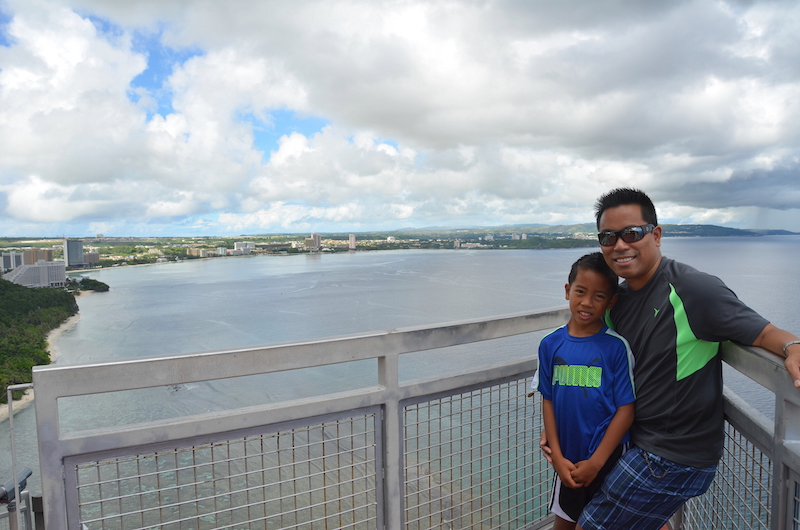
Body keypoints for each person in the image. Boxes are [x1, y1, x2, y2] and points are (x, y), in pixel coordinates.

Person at [569, 188, 800, 530]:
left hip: (673, 454)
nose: (619, 245)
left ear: (657, 235)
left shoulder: (693, 290)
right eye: (608, 237)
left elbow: (764, 333)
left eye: (632, 234)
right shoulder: (617, 298)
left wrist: (793, 346)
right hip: (636, 438)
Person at [535, 252, 635, 529]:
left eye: (599, 296)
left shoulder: (616, 348)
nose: (588, 302)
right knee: (564, 521)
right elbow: (548, 400)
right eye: (581, 291)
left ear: (611, 301)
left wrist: (597, 462)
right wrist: (556, 456)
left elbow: (626, 410)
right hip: (567, 457)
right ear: (568, 291)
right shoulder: (549, 344)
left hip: (609, 459)